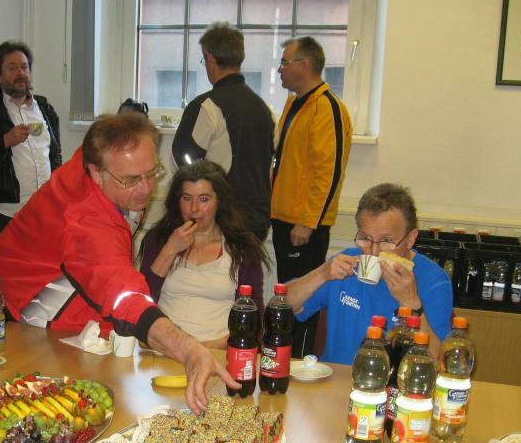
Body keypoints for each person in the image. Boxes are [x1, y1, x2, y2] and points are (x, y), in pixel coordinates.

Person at [0, 113, 238, 414]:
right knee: (70, 409)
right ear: (97, 174)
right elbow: (121, 292)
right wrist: (188, 350)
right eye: (132, 180)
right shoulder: (84, 221)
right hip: (36, 313)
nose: (146, 189)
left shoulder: (107, 159)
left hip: (71, 279)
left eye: (151, 173)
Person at [285, 183, 453, 365]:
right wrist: (321, 274)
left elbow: (436, 362)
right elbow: (283, 305)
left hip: (392, 381)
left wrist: (411, 304)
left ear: (411, 238)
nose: (374, 252)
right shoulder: (346, 262)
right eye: (365, 238)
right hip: (336, 377)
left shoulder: (434, 281)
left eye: (386, 241)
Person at [271, 36, 353, 357]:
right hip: (284, 220)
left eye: (284, 62)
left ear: (304, 65)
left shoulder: (327, 107)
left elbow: (328, 173)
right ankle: (283, 361)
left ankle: (300, 363)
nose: (279, 69)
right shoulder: (294, 103)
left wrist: (307, 222)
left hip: (304, 227)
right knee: (287, 299)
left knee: (303, 304)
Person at [139, 160, 267, 349]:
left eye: (204, 199)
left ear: (219, 202)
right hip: (166, 349)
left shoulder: (241, 247)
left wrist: (208, 348)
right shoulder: (159, 240)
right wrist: (170, 249)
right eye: (187, 198)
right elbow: (141, 300)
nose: (194, 209)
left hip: (219, 350)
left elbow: (253, 319)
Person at [172, 21, 275, 241]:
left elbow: (181, 162)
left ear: (209, 58)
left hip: (222, 221)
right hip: (257, 219)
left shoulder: (206, 106)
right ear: (241, 57)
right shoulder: (263, 109)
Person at [0, 40, 61, 251]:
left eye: (24, 67)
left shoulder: (44, 107)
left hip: (44, 212)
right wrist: (5, 141)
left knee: (43, 270)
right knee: (3, 271)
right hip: (6, 214)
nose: (21, 73)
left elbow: (55, 155)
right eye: (12, 68)